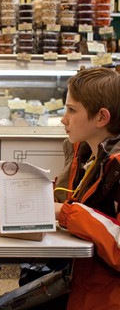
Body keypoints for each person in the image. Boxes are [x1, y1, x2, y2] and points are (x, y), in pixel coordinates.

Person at [53, 67, 120, 310]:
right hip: (83, 279)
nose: (63, 119)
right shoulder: (89, 154)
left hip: (106, 294)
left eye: (71, 110)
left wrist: (64, 213)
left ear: (102, 118)